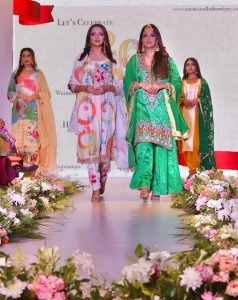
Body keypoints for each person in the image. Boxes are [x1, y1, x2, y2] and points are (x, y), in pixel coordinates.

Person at [124, 24, 189, 201]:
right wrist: (140, 85)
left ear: (157, 38)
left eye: (152, 35)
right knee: (143, 146)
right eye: (145, 36)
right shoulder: (134, 61)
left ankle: (158, 187)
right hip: (142, 109)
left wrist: (162, 85)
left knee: (161, 148)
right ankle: (145, 185)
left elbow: (176, 82)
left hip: (161, 111)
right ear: (141, 39)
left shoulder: (167, 60)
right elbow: (127, 82)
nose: (149, 38)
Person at [68, 24, 128, 201]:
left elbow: (120, 85)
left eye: (100, 34)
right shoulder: (81, 59)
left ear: (105, 38)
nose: (97, 37)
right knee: (90, 147)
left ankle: (102, 178)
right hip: (86, 107)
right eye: (93, 34)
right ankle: (94, 188)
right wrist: (84, 87)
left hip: (107, 105)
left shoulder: (113, 59)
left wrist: (107, 87)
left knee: (105, 147)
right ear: (88, 37)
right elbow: (72, 84)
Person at [7, 47, 57, 174]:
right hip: (18, 113)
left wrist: (32, 96)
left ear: (32, 58)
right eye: (23, 56)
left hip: (33, 112)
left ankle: (34, 174)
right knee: (19, 144)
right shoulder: (16, 74)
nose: (26, 58)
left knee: (33, 142)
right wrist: (19, 95)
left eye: (28, 55)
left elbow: (46, 92)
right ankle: (20, 175)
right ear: (21, 58)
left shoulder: (38, 74)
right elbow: (9, 93)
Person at [178, 57, 216, 177]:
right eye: (187, 65)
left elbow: (208, 100)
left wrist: (198, 100)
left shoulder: (202, 82)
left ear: (196, 67)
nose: (190, 67)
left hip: (198, 118)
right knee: (186, 144)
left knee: (196, 144)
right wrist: (183, 101)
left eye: (192, 64)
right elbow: (175, 98)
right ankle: (192, 170)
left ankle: (201, 172)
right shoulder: (181, 82)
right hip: (184, 117)